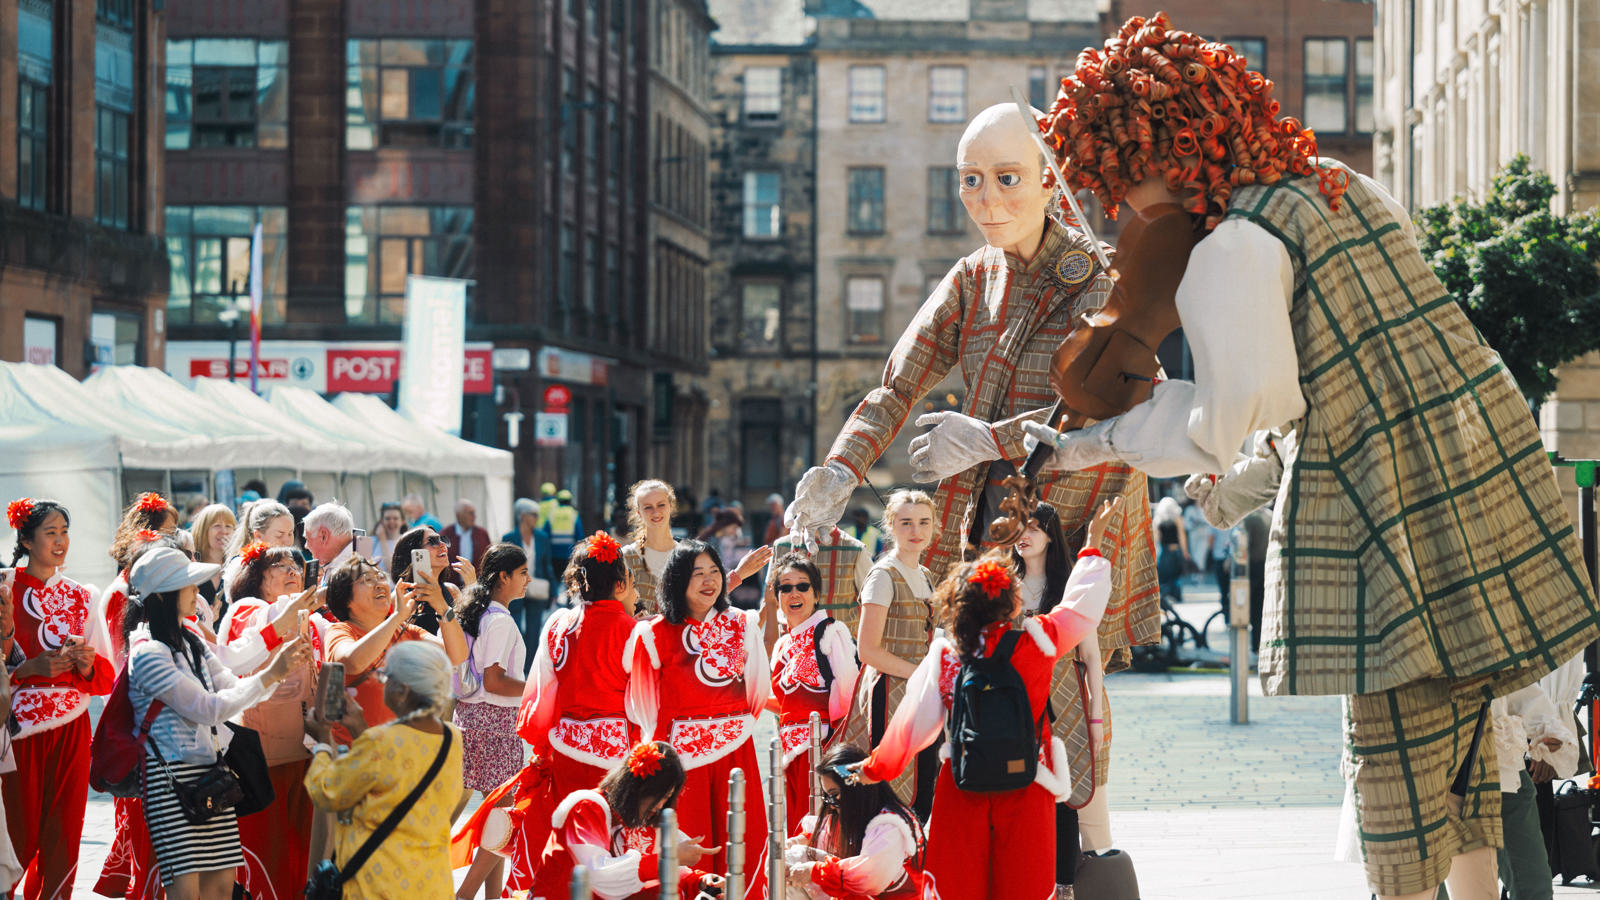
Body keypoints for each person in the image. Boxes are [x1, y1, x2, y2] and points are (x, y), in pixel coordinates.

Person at [1022, 14, 1600, 898]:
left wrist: (1085, 444)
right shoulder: (1342, 184)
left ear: (1155, 155)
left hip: (1381, 523)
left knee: (1394, 784)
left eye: (1117, 181)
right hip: (1483, 490)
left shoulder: (1233, 247)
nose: (1122, 212)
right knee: (1468, 779)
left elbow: (1220, 427)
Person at [781, 100, 1160, 662]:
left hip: (1073, 525)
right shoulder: (973, 275)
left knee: (1060, 696)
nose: (987, 200)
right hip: (982, 521)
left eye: (1007, 178)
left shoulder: (1101, 279)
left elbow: (1106, 408)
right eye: (970, 180)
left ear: (1051, 182)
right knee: (974, 690)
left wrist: (986, 439)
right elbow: (896, 389)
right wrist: (839, 470)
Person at [847, 499, 1118, 898]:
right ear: (1013, 603)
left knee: (960, 886)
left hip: (963, 780)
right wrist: (1092, 544)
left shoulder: (947, 655)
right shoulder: (1038, 641)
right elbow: (1082, 604)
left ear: (959, 606)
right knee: (1023, 887)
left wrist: (876, 767)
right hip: (1029, 781)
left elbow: (911, 726)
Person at [452, 531, 643, 893]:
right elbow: (641, 705)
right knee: (605, 839)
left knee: (560, 836)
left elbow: (543, 692)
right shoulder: (634, 632)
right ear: (619, 585)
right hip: (614, 754)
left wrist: (543, 744)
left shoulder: (559, 624)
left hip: (565, 748)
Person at [124, 546, 312, 900]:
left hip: (212, 776)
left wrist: (274, 673)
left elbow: (232, 687)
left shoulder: (191, 641)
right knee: (185, 891)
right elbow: (207, 708)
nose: (196, 591)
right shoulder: (147, 653)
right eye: (187, 584)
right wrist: (273, 673)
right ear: (162, 596)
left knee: (222, 887)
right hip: (170, 780)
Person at [624, 540, 769, 895]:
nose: (709, 581)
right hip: (679, 763)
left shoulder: (742, 623)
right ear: (678, 580)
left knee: (741, 842)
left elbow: (758, 690)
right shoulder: (652, 634)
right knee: (692, 847)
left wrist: (728, 727)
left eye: (715, 571)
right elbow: (641, 705)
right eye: (698, 573)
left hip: (735, 752)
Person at [3, 497, 114, 900]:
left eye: (64, 532)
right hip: (18, 733)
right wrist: (28, 669)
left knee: (65, 832)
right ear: (26, 540)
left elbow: (105, 677)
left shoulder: (82, 596)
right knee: (18, 832)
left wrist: (86, 664)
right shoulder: (5, 590)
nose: (60, 541)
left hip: (72, 727)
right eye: (50, 533)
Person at [303, 640, 464, 899]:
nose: (383, 682)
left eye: (386, 677)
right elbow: (397, 768)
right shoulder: (451, 738)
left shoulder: (380, 742)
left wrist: (322, 741)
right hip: (432, 883)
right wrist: (359, 727)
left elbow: (326, 791)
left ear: (403, 691)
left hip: (380, 885)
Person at [218, 543, 326, 900]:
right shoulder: (246, 609)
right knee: (265, 853)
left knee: (300, 854)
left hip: (305, 754)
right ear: (257, 576)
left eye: (296, 564)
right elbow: (240, 654)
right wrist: (303, 606)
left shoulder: (312, 619)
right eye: (280, 565)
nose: (293, 569)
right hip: (261, 758)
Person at [1012, 501, 1108, 893]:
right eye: (1019, 526)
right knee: (1019, 794)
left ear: (1051, 535)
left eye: (1034, 527)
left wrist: (1096, 719)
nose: (1024, 534)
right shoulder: (1002, 586)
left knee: (1064, 798)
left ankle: (1064, 887)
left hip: (1065, 701)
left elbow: (1091, 657)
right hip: (1015, 704)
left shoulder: (1070, 588)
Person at [838, 490, 939, 818]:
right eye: (906, 522)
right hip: (889, 692)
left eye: (924, 522)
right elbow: (868, 650)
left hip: (921, 694)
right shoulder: (883, 575)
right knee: (892, 792)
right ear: (891, 526)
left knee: (923, 788)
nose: (916, 531)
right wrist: (921, 674)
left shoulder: (925, 576)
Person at [529, 741, 722, 900]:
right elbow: (600, 876)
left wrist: (700, 881)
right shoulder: (587, 807)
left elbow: (654, 871)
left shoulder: (641, 818)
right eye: (660, 796)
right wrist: (668, 858)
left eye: (667, 798)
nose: (661, 805)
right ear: (639, 786)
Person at [451, 544, 530, 900]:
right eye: (523, 573)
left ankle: (491, 897)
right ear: (504, 577)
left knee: (498, 820)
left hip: (474, 720)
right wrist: (537, 689)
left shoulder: (482, 613)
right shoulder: (499, 620)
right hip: (493, 723)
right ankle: (464, 895)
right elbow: (494, 681)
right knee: (503, 821)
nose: (528, 580)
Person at [766, 552, 859, 835]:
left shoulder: (831, 632)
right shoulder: (782, 645)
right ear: (777, 596)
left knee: (821, 835)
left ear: (816, 594)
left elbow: (851, 695)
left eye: (802, 586)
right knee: (796, 834)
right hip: (790, 758)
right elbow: (787, 704)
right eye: (785, 587)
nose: (794, 593)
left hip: (822, 754)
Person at [323, 556, 468, 726]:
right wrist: (397, 617)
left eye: (380, 577)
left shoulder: (406, 631)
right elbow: (351, 662)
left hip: (401, 741)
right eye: (366, 580)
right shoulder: (340, 631)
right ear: (345, 598)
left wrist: (442, 607)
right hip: (357, 742)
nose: (379, 584)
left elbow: (457, 656)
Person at [785, 743, 930, 900]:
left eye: (834, 795)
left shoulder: (890, 826)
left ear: (855, 789)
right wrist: (798, 841)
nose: (831, 805)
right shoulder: (858, 812)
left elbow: (868, 877)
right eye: (827, 797)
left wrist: (814, 871)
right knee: (792, 857)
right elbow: (825, 835)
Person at [391, 526, 475, 633]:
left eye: (442, 539)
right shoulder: (400, 597)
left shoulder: (451, 590)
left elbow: (468, 631)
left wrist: (472, 587)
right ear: (415, 553)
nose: (442, 544)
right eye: (433, 541)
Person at [621, 480, 679, 618]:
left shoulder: (687, 555)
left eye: (661, 505)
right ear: (639, 512)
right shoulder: (626, 557)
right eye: (648, 507)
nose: (655, 512)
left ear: (671, 506)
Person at [502, 498, 556, 641]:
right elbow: (504, 566)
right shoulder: (509, 538)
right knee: (514, 628)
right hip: (515, 588)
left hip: (537, 587)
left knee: (534, 632)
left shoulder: (542, 537)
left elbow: (547, 565)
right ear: (523, 516)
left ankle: (531, 656)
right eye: (534, 515)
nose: (537, 518)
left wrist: (553, 590)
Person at [303, 502, 371, 579]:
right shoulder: (364, 556)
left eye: (307, 539)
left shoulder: (357, 572)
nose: (306, 546)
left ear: (324, 536)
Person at [190, 503, 236, 612]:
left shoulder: (236, 567)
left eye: (228, 526)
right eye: (217, 526)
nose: (224, 531)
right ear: (203, 530)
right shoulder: (192, 566)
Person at [1152, 497, 1186, 605]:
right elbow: (1181, 535)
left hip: (1163, 551)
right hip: (1175, 550)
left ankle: (1164, 598)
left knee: (1163, 576)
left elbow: (1156, 538)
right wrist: (1185, 552)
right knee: (1175, 576)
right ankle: (1175, 595)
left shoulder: (1158, 520)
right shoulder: (1177, 518)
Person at [544, 489, 585, 577]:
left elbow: (546, 533)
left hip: (554, 552)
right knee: (568, 577)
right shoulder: (574, 514)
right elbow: (579, 535)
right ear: (569, 501)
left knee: (556, 577)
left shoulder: (552, 514)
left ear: (558, 500)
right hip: (569, 552)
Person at [444, 499, 492, 571]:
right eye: (470, 513)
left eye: (474, 513)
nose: (474, 516)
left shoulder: (482, 534)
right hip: (452, 578)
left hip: (477, 577)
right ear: (459, 515)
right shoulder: (446, 534)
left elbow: (490, 558)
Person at [372, 502, 407, 576]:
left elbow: (392, 570)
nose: (391, 522)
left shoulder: (406, 542)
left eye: (395, 518)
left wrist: (383, 540)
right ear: (382, 521)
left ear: (402, 521)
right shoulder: (372, 541)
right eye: (387, 518)